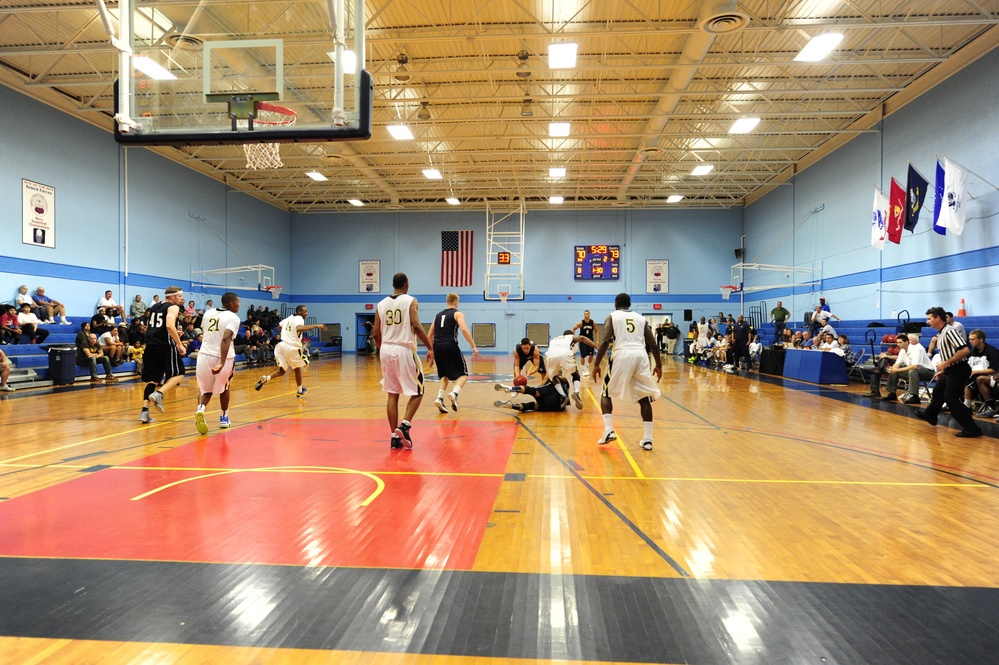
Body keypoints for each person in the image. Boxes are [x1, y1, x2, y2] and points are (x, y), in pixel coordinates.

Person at [591, 293, 662, 450]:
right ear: (629, 304)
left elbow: (605, 341)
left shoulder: (612, 316)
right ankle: (648, 439)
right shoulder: (641, 318)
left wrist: (596, 364)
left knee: (606, 392)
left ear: (616, 303)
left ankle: (609, 430)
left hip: (623, 353)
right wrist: (659, 365)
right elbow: (653, 344)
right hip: (641, 355)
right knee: (644, 398)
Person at [371, 273, 434, 450]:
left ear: (393, 285)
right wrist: (430, 347)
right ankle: (404, 426)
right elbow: (416, 326)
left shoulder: (380, 304)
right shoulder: (410, 300)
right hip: (404, 349)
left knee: (392, 393)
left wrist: (382, 348)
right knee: (419, 390)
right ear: (407, 285)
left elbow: (376, 333)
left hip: (386, 349)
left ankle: (394, 437)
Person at [915, 307, 982, 438]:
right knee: (938, 392)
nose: (927, 322)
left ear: (937, 318)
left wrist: (946, 363)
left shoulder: (949, 332)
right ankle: (931, 415)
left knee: (951, 399)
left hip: (959, 368)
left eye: (929, 319)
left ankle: (972, 429)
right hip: (950, 369)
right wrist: (945, 368)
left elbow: (964, 351)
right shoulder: (941, 333)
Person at [194, 292, 242, 434]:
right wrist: (221, 362)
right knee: (225, 388)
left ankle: (201, 408)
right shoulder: (233, 318)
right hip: (223, 357)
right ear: (231, 303)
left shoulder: (208, 313)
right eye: (237, 302)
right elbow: (226, 339)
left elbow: (206, 332)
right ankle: (224, 418)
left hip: (203, 355)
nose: (239, 304)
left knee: (205, 390)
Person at [254, 305, 327, 398]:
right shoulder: (299, 318)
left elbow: (278, 328)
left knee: (282, 371)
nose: (307, 314)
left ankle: (266, 378)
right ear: (299, 312)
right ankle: (300, 391)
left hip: (281, 346)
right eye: (305, 312)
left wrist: (287, 330)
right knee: (297, 369)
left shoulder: (288, 318)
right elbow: (299, 328)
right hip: (291, 347)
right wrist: (316, 325)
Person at [139, 286, 187, 424]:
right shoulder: (173, 307)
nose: (181, 299)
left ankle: (144, 412)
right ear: (172, 297)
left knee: (152, 380)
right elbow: (169, 326)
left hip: (151, 346)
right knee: (179, 373)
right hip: (165, 346)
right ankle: (159, 393)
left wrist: (172, 333)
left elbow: (152, 327)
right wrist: (179, 343)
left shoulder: (154, 307)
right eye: (179, 296)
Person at [429, 293, 479, 413]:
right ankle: (455, 393)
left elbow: (429, 334)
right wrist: (473, 346)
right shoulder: (457, 313)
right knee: (464, 374)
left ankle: (440, 398)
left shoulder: (437, 315)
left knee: (444, 375)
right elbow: (463, 329)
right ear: (456, 302)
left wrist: (431, 350)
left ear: (447, 301)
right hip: (450, 344)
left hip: (437, 346)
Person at [873, 334, 934, 404]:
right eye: (897, 343)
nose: (898, 344)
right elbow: (897, 363)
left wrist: (897, 370)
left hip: (928, 372)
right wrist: (893, 369)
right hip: (913, 372)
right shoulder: (902, 351)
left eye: (900, 342)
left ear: (907, 342)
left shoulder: (918, 349)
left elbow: (915, 366)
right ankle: (892, 393)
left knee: (912, 371)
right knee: (894, 371)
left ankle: (914, 396)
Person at [545, 329, 599, 409]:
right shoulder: (570, 337)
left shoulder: (554, 339)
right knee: (575, 373)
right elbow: (582, 338)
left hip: (550, 355)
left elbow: (557, 358)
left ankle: (563, 395)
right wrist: (596, 346)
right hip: (564, 354)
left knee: (553, 377)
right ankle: (576, 392)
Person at [964, 329, 999, 415]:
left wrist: (976, 372)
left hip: (990, 377)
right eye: (969, 339)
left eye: (973, 339)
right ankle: (964, 405)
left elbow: (994, 370)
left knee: (978, 379)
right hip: (974, 376)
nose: (970, 341)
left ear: (981, 339)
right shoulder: (972, 351)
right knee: (959, 377)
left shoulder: (992, 351)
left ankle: (991, 407)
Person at [493, 375, 571, 412]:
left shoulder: (555, 376)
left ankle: (511, 389)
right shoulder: (566, 383)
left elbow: (547, 377)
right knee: (533, 406)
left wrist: (539, 388)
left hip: (553, 394)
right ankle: (512, 406)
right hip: (558, 407)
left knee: (532, 391)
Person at [572, 310, 600, 375]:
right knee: (583, 356)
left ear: (589, 315)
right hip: (582, 341)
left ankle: (587, 367)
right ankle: (582, 369)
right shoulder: (581, 323)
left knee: (591, 355)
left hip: (590, 341)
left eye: (587, 314)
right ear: (583, 315)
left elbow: (596, 331)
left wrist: (597, 340)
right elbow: (573, 328)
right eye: (585, 314)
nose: (586, 315)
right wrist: (574, 337)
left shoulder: (593, 323)